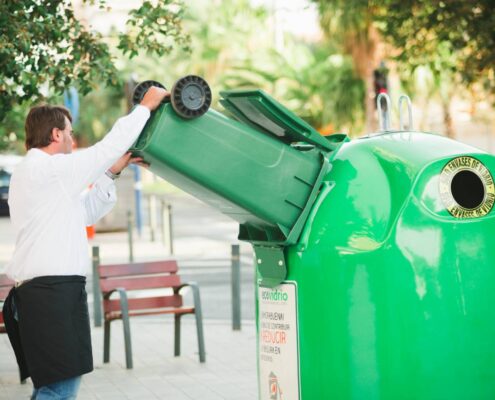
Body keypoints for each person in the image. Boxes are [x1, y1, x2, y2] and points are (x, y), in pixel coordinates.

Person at [2, 86, 169, 399]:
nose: (72, 139)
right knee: (59, 390)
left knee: (56, 387)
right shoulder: (49, 170)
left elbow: (85, 213)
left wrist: (111, 173)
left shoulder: (40, 176)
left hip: (50, 294)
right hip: (50, 295)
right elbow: (108, 147)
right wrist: (145, 107)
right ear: (55, 134)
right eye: (69, 132)